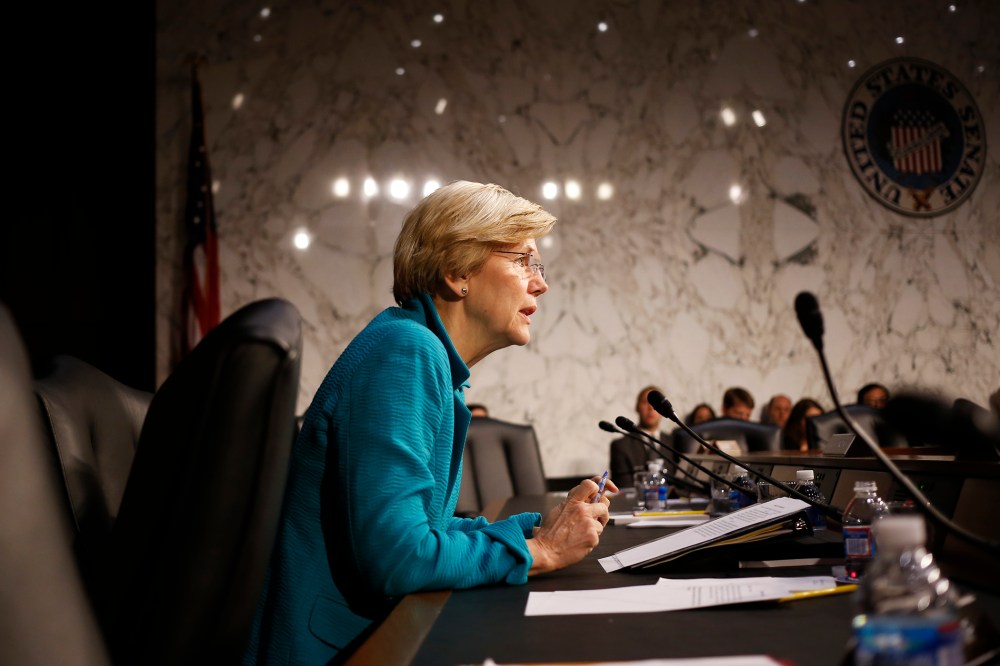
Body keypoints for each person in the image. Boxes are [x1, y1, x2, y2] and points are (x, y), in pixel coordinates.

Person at [243, 181, 615, 664]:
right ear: (457, 272)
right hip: (340, 652)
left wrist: (537, 529)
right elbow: (399, 557)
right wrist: (538, 551)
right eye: (523, 261)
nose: (540, 282)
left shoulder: (421, 353)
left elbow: (425, 530)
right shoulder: (405, 352)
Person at [609, 385, 670, 487]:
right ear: (637, 407)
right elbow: (624, 488)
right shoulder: (621, 446)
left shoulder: (673, 441)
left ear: (662, 410)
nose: (651, 408)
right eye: (645, 402)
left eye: (655, 404)